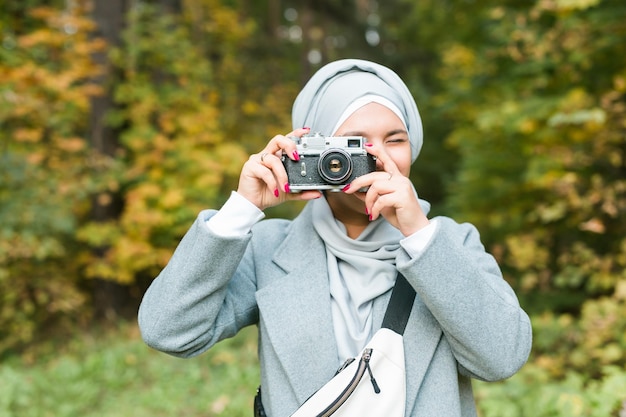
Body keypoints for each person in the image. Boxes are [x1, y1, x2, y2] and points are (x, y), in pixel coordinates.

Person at [138, 59, 532, 417]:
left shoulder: (451, 244)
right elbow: (168, 331)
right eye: (353, 145)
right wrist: (241, 208)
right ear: (312, 153)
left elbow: (501, 358)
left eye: (395, 140)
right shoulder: (269, 248)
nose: (379, 159)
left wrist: (418, 235)